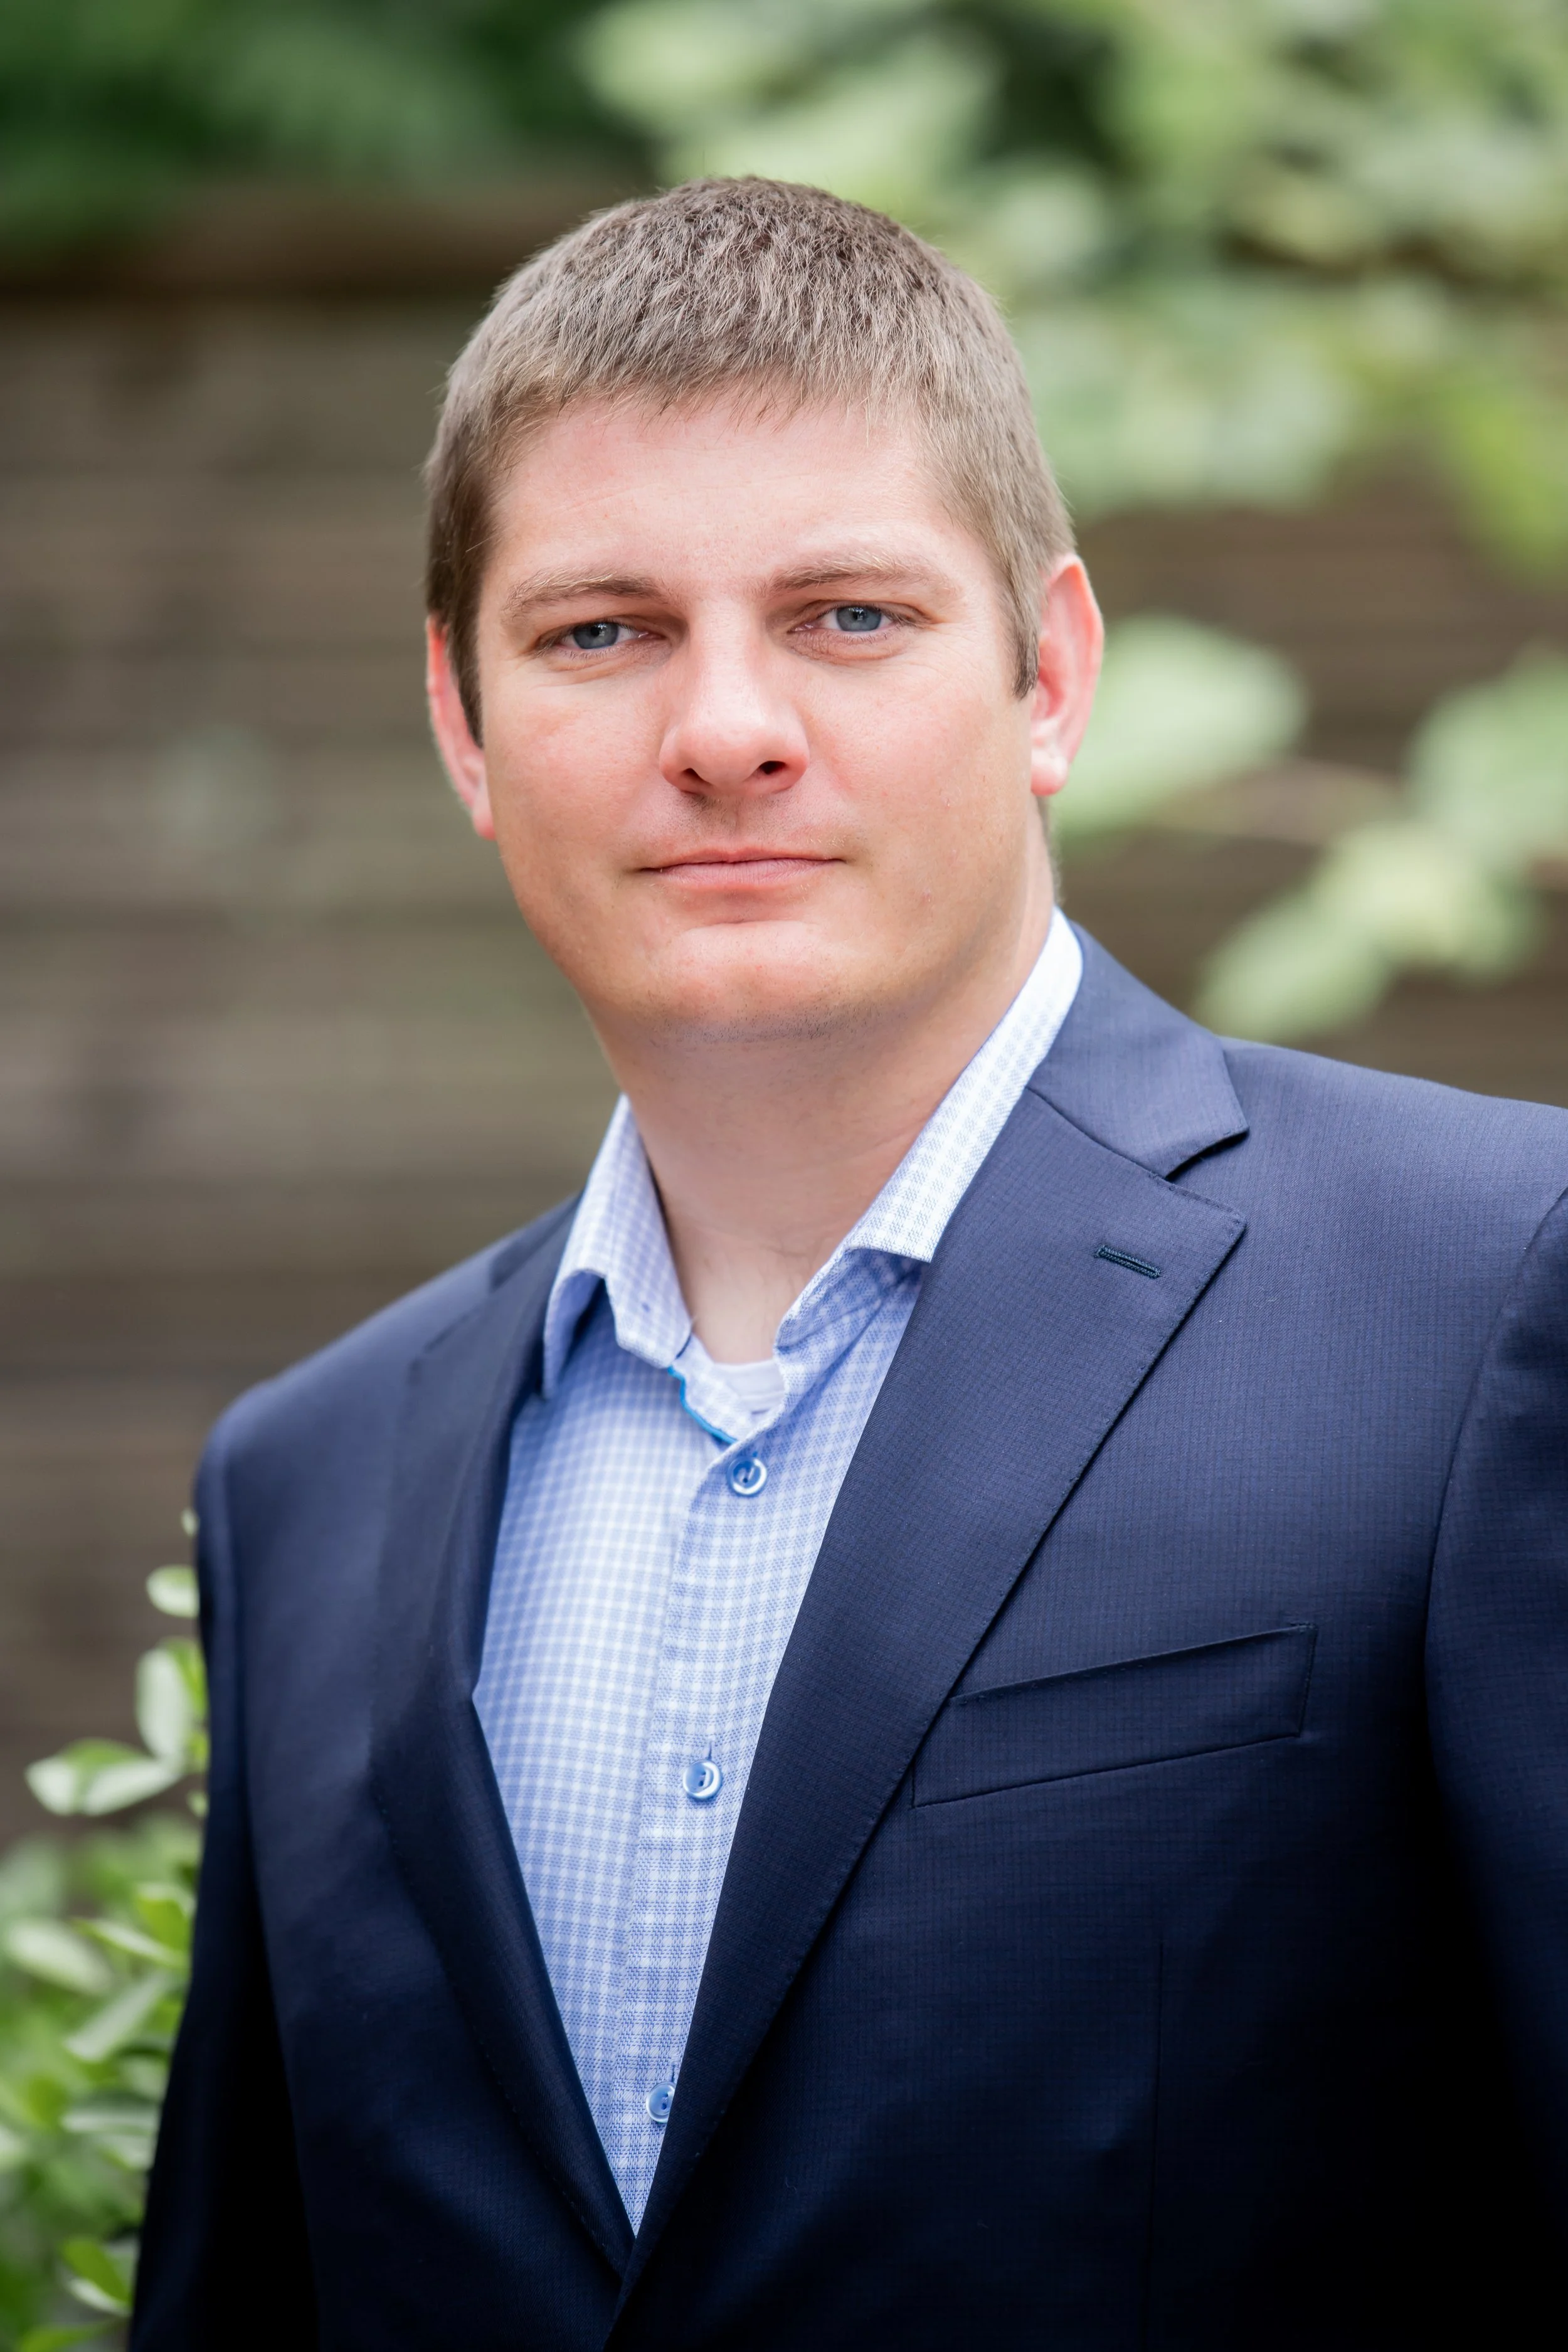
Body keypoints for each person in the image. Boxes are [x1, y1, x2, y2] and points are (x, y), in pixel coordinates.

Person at [132, 178, 1568, 2350]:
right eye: (600, 629)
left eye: (848, 616)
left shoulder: (1485, 1298)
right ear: (460, 721)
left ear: (1050, 674)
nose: (725, 727)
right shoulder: (305, 1482)